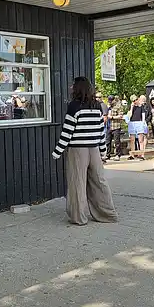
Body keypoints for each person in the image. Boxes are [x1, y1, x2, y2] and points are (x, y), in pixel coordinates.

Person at [52, 77, 118, 225]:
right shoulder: (97, 106)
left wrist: (57, 151)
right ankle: (107, 214)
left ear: (77, 88)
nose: (71, 87)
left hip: (77, 150)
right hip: (94, 149)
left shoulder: (74, 106)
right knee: (99, 182)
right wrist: (103, 151)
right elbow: (101, 131)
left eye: (73, 85)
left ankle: (79, 217)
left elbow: (67, 131)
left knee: (77, 183)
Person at [127, 95, 147, 160]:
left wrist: (143, 123)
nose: (135, 101)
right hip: (132, 123)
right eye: (133, 100)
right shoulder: (131, 106)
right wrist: (132, 108)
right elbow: (129, 116)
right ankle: (132, 155)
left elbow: (143, 115)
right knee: (132, 140)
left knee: (140, 140)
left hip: (139, 123)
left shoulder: (141, 106)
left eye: (136, 100)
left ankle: (142, 154)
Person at [107, 95, 124, 161]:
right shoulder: (108, 106)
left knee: (117, 141)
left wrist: (112, 117)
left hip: (116, 126)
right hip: (109, 126)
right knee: (108, 141)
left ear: (114, 100)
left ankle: (118, 154)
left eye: (111, 100)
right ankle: (107, 155)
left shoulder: (118, 106)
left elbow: (121, 116)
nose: (110, 102)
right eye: (109, 101)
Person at [96, 92, 109, 162]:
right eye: (96, 97)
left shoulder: (103, 105)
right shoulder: (97, 105)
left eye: (98, 97)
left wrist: (99, 125)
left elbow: (105, 118)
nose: (97, 98)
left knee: (102, 141)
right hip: (99, 127)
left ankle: (103, 157)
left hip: (101, 127)